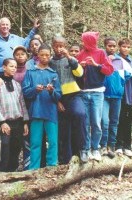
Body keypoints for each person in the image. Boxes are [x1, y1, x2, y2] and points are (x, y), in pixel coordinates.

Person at [22, 44, 62, 170]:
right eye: (42, 55)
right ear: (37, 56)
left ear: (50, 56)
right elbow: (25, 92)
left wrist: (51, 91)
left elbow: (58, 95)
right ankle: (33, 168)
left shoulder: (53, 74)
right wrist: (35, 90)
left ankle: (52, 166)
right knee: (35, 142)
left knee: (53, 141)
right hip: (36, 111)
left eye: (47, 55)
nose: (44, 57)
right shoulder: (30, 72)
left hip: (51, 112)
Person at [76, 32, 114, 162]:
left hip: (97, 93)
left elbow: (109, 70)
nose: (83, 43)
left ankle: (95, 148)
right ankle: (85, 149)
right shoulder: (80, 54)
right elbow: (75, 73)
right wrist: (79, 66)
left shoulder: (101, 53)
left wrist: (96, 65)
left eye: (84, 41)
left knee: (97, 123)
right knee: (85, 123)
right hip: (83, 92)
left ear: (90, 41)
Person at [49, 36, 87, 164]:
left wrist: (69, 57)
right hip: (59, 98)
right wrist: (57, 101)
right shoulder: (50, 62)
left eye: (61, 46)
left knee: (80, 114)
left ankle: (83, 149)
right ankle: (66, 159)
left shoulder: (71, 59)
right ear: (52, 46)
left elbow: (80, 73)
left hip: (74, 94)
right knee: (64, 129)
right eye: (56, 46)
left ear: (65, 46)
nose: (59, 49)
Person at [0, 58, 29, 172]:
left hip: (18, 120)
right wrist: (2, 122)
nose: (14, 69)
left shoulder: (17, 85)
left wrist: (25, 121)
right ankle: (2, 169)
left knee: (16, 145)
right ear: (4, 67)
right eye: (11, 66)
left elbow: (22, 103)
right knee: (5, 144)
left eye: (15, 67)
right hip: (5, 121)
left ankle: (13, 168)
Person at [100, 37, 132, 158]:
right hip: (104, 95)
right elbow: (97, 72)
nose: (112, 48)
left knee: (114, 122)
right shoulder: (101, 58)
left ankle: (111, 146)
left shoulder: (121, 61)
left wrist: (119, 84)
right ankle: (103, 145)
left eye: (114, 46)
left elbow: (129, 74)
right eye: (110, 46)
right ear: (105, 46)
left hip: (117, 96)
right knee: (104, 121)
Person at [115, 38, 132, 157]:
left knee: (127, 121)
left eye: (128, 47)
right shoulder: (115, 59)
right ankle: (118, 146)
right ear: (119, 47)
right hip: (117, 96)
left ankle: (127, 146)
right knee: (117, 121)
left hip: (129, 97)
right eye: (124, 46)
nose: (126, 49)